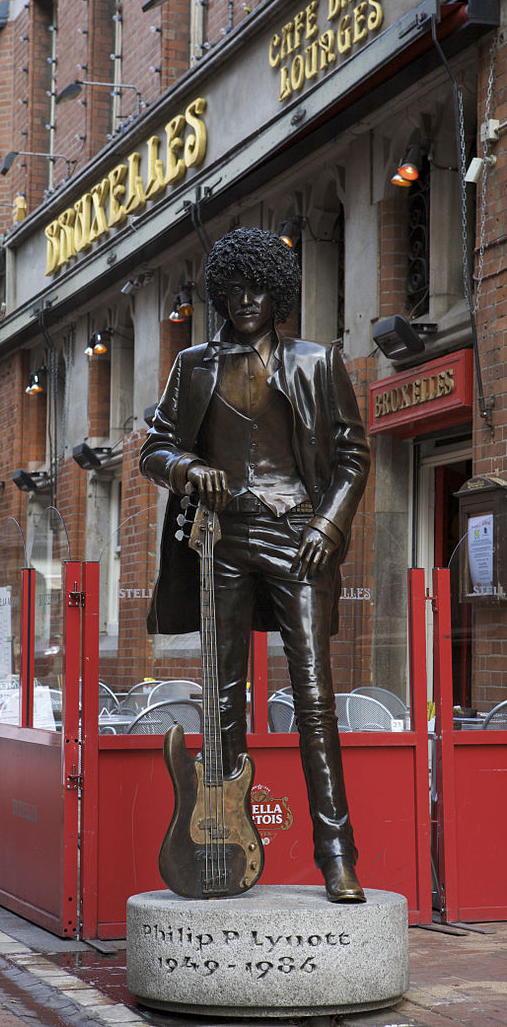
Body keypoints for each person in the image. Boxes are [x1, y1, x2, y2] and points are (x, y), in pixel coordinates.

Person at [140, 227, 370, 902]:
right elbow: (156, 448)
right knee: (222, 697)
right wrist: (187, 466)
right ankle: (227, 839)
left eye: (258, 289)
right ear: (219, 292)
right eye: (234, 289)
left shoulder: (317, 362)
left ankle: (337, 854)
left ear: (280, 295)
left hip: (297, 534)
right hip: (220, 540)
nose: (245, 300)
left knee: (315, 695)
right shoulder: (193, 366)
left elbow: (354, 457)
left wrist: (329, 521)